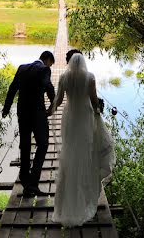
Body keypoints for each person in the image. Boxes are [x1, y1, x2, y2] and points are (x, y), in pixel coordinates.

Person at [47, 53, 115, 227]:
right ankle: (83, 199)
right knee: (85, 153)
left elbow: (60, 99)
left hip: (70, 118)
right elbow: (93, 101)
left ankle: (65, 203)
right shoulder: (90, 77)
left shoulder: (64, 77)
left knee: (69, 152)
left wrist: (48, 112)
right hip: (85, 118)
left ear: (70, 63)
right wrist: (99, 114)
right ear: (84, 63)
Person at [2, 50, 56, 197]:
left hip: (22, 113)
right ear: (47, 60)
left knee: (25, 145)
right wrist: (52, 106)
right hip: (37, 113)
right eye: (51, 64)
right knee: (43, 144)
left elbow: (12, 88)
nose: (50, 67)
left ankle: (25, 180)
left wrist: (6, 108)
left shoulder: (22, 67)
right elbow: (49, 88)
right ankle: (33, 184)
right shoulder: (45, 70)